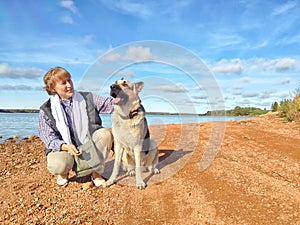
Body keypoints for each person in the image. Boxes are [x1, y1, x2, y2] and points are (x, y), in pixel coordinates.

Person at [38, 66, 113, 186]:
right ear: (53, 88)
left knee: (104, 134)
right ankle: (63, 172)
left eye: (69, 80)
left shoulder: (88, 97)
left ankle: (96, 172)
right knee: (57, 165)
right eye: (63, 83)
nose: (69, 85)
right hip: (65, 148)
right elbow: (47, 136)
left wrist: (125, 99)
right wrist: (65, 146)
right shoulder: (46, 109)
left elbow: (109, 104)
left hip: (87, 144)